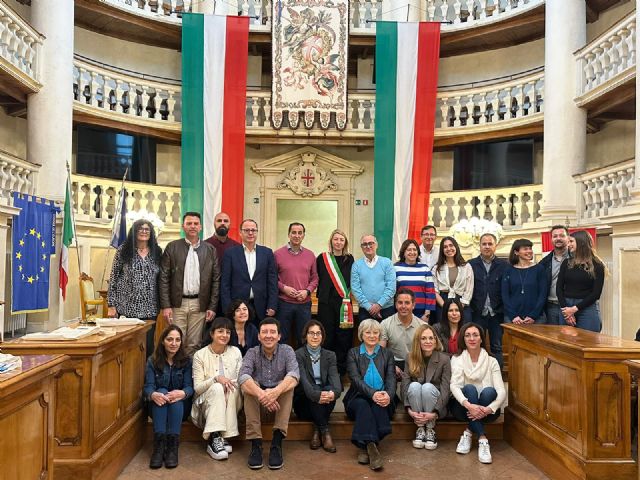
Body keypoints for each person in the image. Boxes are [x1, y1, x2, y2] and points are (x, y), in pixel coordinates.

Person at [238, 318, 299, 470]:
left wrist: (275, 392)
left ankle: (276, 444)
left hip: (279, 408)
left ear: (279, 336)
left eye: (272, 332)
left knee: (287, 384)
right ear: (259, 336)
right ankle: (256, 445)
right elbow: (242, 377)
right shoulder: (252, 352)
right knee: (250, 385)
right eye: (264, 332)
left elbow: (294, 375)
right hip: (257, 407)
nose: (268, 335)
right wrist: (262, 395)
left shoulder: (287, 351)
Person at [159, 212, 220, 356]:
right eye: (189, 223)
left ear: (200, 227)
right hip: (177, 304)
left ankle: (190, 370)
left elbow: (216, 280)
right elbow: (163, 278)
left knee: (194, 343)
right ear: (183, 226)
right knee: (175, 341)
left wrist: (212, 306)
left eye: (196, 224)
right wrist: (166, 305)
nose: (192, 226)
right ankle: (175, 370)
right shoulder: (172, 247)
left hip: (200, 304)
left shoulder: (210, 250)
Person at [343, 319, 396, 471]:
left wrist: (388, 395)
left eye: (375, 332)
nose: (372, 336)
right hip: (357, 397)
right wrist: (373, 394)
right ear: (361, 334)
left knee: (377, 406)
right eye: (368, 332)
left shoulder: (387, 353)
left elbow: (391, 378)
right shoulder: (353, 353)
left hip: (383, 397)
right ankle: (372, 447)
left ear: (379, 334)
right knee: (363, 405)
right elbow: (355, 380)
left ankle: (364, 446)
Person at [450, 322, 506, 464]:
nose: (472, 338)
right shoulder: (457, 359)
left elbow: (501, 391)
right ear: (463, 339)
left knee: (489, 392)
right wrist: (469, 406)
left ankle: (468, 433)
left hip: (487, 412)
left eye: (475, 335)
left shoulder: (492, 361)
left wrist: (489, 409)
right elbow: (454, 386)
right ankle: (482, 438)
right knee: (469, 389)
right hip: (462, 409)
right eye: (468, 335)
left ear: (481, 338)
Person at [107, 219, 163, 355]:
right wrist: (111, 305)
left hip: (150, 308)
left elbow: (162, 278)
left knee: (147, 347)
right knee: (128, 347)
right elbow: (113, 277)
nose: (144, 231)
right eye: (140, 229)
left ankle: (144, 369)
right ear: (134, 231)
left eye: (147, 229)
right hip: (127, 307)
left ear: (151, 233)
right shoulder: (123, 250)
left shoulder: (157, 252)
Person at [191, 317, 242, 461]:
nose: (224, 335)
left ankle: (223, 436)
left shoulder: (236, 352)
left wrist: (227, 384)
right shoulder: (200, 355)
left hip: (231, 400)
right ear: (212, 333)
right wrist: (215, 379)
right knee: (218, 387)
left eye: (228, 332)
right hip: (205, 405)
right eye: (220, 331)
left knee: (231, 387)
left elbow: (241, 379)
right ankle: (214, 437)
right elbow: (197, 388)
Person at [144, 325, 193, 469]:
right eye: (170, 339)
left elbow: (190, 387)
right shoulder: (152, 360)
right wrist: (153, 394)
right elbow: (148, 386)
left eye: (178, 340)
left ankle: (172, 447)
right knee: (162, 391)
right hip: (158, 406)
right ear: (162, 341)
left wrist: (183, 393)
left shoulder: (187, 361)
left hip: (180, 407)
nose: (174, 343)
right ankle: (158, 447)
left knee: (175, 399)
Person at [293, 320, 343, 452]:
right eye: (311, 333)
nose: (315, 336)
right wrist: (318, 395)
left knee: (329, 389)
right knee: (316, 389)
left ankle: (317, 430)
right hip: (304, 402)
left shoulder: (330, 355)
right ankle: (325, 431)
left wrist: (333, 393)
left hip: (324, 401)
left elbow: (337, 385)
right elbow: (305, 383)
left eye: (318, 333)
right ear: (305, 336)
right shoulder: (298, 355)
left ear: (322, 336)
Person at [401, 323, 451, 450]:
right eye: (423, 338)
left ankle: (430, 429)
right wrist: (409, 410)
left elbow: (445, 390)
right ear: (418, 341)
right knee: (414, 386)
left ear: (435, 340)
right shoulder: (410, 357)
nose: (428, 341)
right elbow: (405, 386)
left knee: (427, 387)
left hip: (437, 407)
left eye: (431, 338)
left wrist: (434, 413)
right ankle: (420, 429)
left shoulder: (444, 359)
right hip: (416, 407)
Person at [220, 219, 278, 325]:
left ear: (257, 232)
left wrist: (272, 305)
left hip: (261, 306)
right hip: (237, 307)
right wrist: (228, 308)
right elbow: (225, 283)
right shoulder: (230, 254)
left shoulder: (267, 253)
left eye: (253, 230)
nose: (250, 233)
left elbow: (272, 281)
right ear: (240, 233)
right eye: (247, 230)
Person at [316, 229, 355, 376]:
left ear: (345, 243)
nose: (338, 242)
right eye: (336, 239)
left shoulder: (350, 259)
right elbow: (316, 278)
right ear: (331, 241)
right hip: (325, 303)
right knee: (327, 336)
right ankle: (326, 371)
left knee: (343, 337)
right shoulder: (322, 258)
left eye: (341, 240)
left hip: (343, 303)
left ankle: (340, 372)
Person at [274, 222, 319, 344]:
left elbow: (315, 278)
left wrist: (307, 291)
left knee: (303, 339)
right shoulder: (277, 254)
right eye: (294, 232)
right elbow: (272, 278)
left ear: (303, 235)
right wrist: (284, 288)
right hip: (284, 303)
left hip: (304, 304)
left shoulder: (310, 255)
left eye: (300, 233)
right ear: (289, 234)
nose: (297, 235)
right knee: (281, 338)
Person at [468, 233, 509, 368]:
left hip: (497, 313)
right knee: (475, 346)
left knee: (497, 346)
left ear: (495, 246)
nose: (487, 247)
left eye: (490, 244)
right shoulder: (471, 265)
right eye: (484, 244)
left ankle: (497, 377)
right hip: (477, 312)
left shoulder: (504, 265)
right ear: (479, 246)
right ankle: (478, 375)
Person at [556, 230, 605, 332]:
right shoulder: (566, 263)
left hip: (587, 307)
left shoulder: (597, 264)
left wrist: (574, 309)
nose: (568, 245)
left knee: (589, 339)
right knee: (565, 341)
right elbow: (559, 288)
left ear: (581, 242)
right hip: (566, 306)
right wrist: (566, 310)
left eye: (571, 241)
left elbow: (596, 293)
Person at [351, 234, 396, 323]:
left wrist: (379, 305)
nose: (368, 246)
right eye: (365, 244)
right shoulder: (356, 265)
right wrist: (369, 307)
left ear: (376, 245)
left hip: (386, 309)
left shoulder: (387, 262)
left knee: (387, 333)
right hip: (365, 311)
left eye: (371, 243)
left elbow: (391, 287)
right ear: (361, 247)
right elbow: (355, 289)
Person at [502, 239, 548, 325]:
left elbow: (543, 294)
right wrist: (513, 316)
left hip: (537, 318)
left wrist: (533, 315)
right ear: (516, 252)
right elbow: (505, 295)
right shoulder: (508, 270)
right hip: (513, 318)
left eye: (530, 248)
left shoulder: (539, 269)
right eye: (525, 249)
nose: (529, 251)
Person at [380, 288, 424, 376]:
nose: (403, 306)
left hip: (415, 362)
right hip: (393, 363)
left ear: (413, 305)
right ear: (396, 305)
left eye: (407, 303)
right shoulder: (385, 324)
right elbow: (380, 352)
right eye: (400, 302)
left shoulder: (422, 326)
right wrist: (391, 366)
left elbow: (425, 353)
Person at [433, 236, 474, 325]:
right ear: (442, 250)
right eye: (445, 247)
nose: (449, 249)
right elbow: (434, 291)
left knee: (463, 330)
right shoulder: (436, 268)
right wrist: (446, 307)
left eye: (451, 245)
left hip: (462, 303)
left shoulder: (466, 267)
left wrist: (459, 307)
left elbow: (469, 289)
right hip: (442, 302)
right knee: (443, 331)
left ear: (456, 247)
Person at [394, 239, 436, 322]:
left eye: (414, 249)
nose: (412, 252)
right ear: (403, 252)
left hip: (422, 314)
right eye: (409, 250)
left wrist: (427, 314)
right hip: (402, 311)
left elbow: (430, 292)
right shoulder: (395, 268)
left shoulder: (425, 268)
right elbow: (393, 291)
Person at [539, 225, 570, 325]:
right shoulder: (545, 262)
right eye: (555, 236)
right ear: (551, 239)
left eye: (562, 235)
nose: (558, 238)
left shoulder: (576, 258)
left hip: (570, 306)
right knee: (553, 334)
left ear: (568, 238)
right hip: (551, 307)